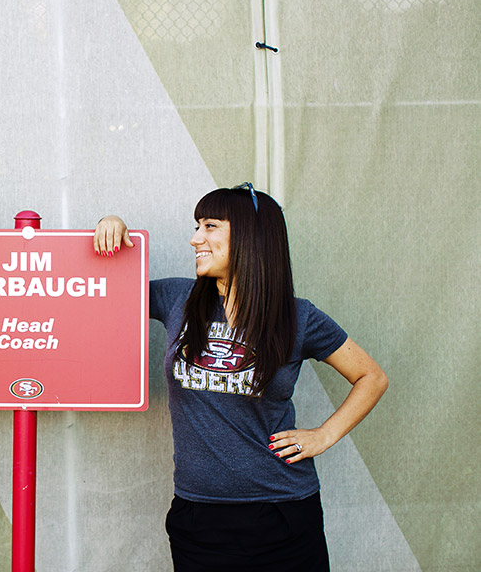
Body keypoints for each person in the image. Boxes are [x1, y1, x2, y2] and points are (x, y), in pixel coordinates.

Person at [93, 183, 388, 571]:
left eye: (210, 226)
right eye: (197, 226)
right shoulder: (177, 299)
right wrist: (109, 227)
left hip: (282, 515)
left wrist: (323, 435)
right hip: (199, 517)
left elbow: (371, 376)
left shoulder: (298, 318)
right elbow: (97, 294)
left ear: (250, 237)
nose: (195, 238)